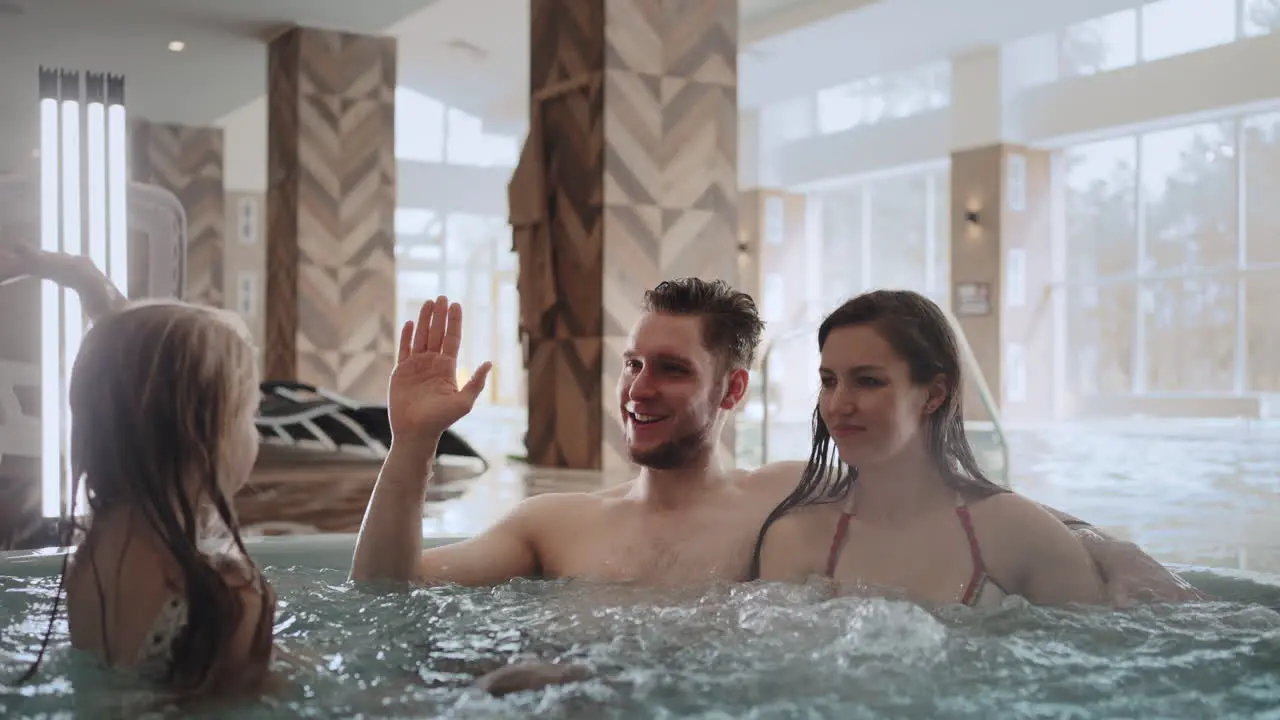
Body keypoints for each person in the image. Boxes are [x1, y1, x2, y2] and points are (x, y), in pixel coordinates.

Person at [351, 278, 1201, 606]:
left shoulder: (795, 498)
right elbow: (387, 592)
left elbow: (974, 510)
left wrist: (1113, 554)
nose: (639, 388)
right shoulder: (553, 524)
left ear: (731, 390)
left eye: (672, 370)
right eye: (634, 363)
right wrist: (412, 447)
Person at [5, 245, 277, 700]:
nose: (256, 434)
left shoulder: (89, 559)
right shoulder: (230, 594)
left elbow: (130, 376)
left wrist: (88, 283)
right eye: (249, 414)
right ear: (204, 439)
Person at [752, 290, 1102, 606]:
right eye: (829, 381)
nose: (838, 405)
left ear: (934, 395)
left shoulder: (1019, 535)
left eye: (868, 381)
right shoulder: (797, 539)